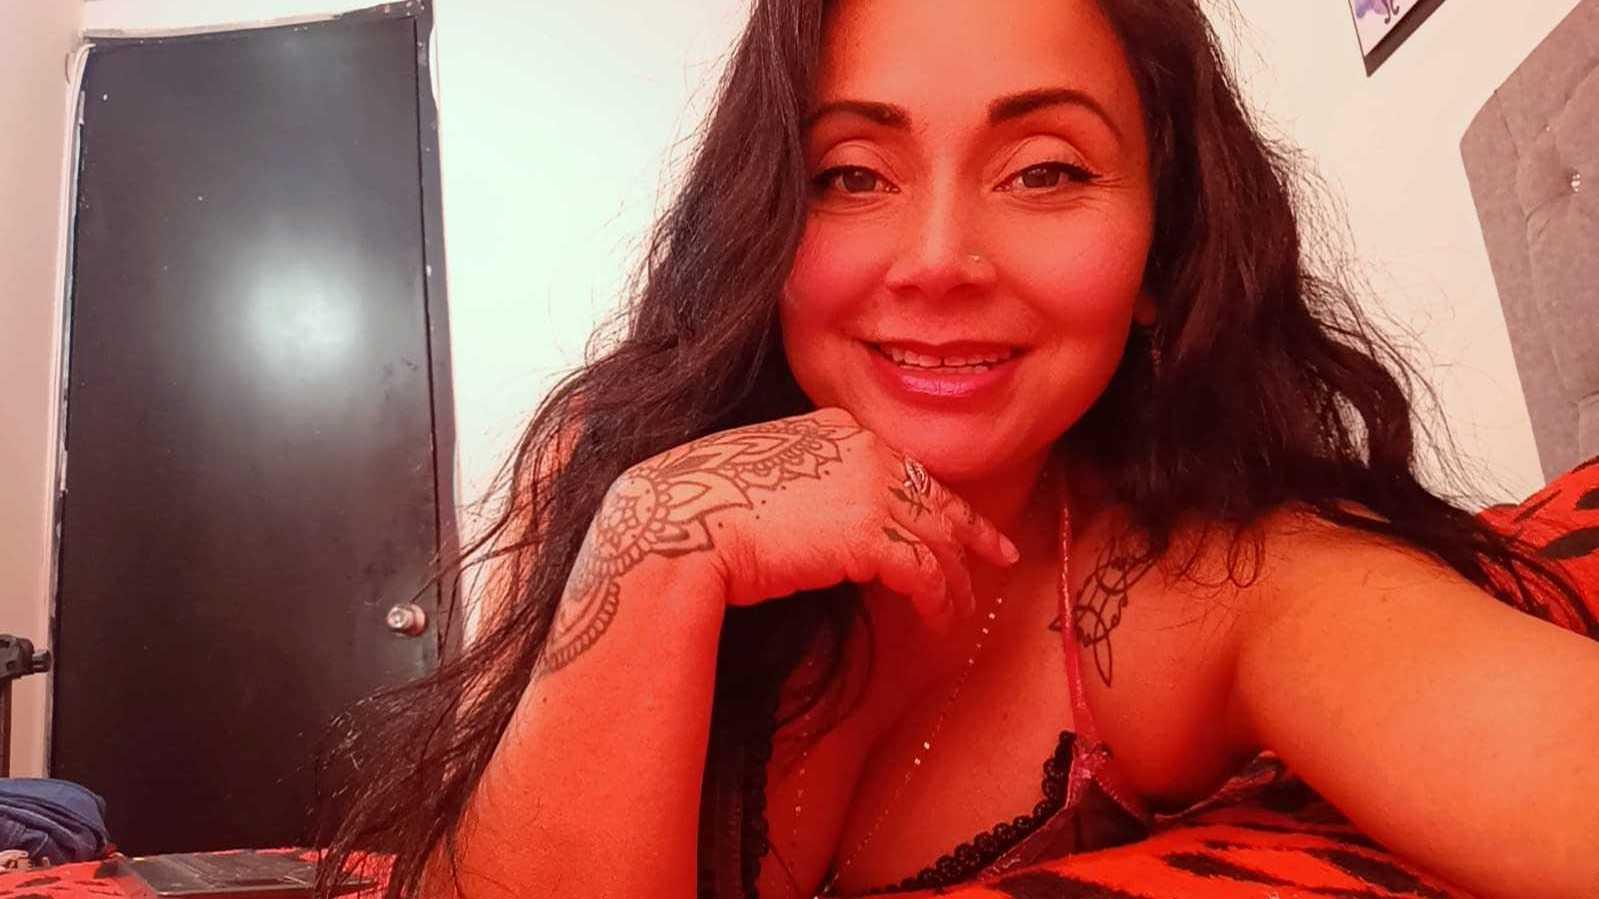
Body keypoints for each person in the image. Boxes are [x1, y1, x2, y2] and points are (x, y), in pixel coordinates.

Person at [314, 1, 1599, 897]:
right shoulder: (603, 464)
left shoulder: (1212, 586)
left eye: (1044, 171)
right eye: (850, 174)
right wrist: (651, 549)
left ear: (1163, 254)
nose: (937, 261)